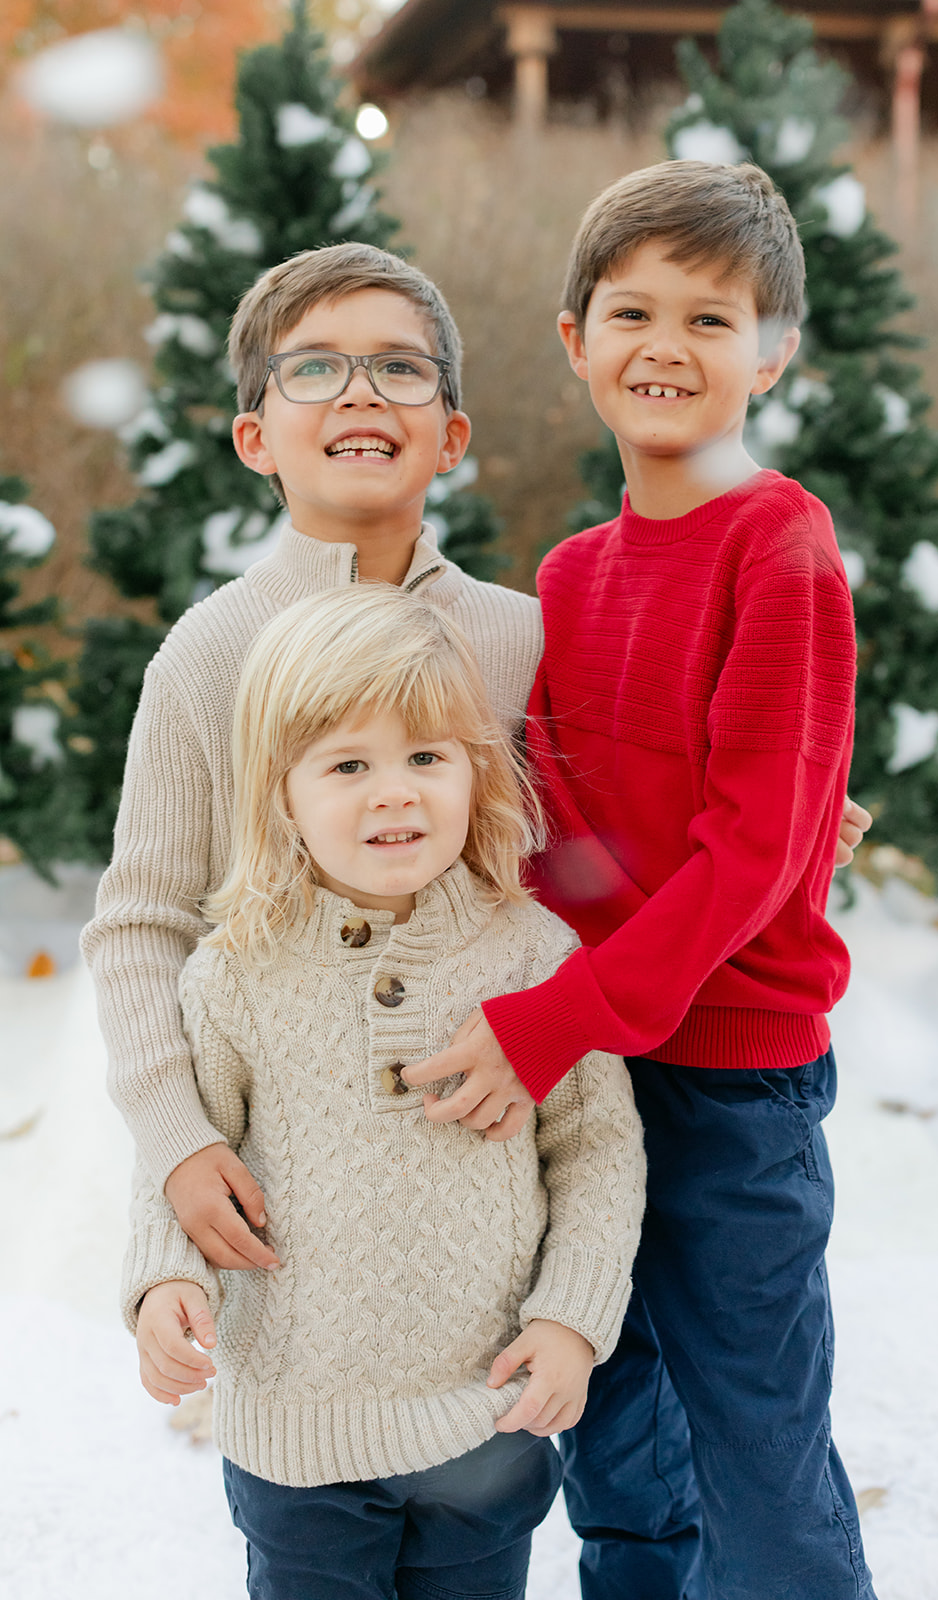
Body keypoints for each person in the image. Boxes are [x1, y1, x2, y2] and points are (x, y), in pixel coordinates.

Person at [83, 236, 868, 1274]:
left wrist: (808, 816)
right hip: (294, 1172)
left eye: (399, 368)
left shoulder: (516, 635)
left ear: (450, 435)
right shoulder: (207, 657)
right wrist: (175, 1136)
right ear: (253, 435)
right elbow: (143, 921)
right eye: (313, 367)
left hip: (500, 1150)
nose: (359, 395)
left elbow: (618, 809)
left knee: (556, 1422)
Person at [402, 161, 878, 1599]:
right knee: (608, 1432)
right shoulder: (568, 576)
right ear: (572, 339)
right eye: (631, 311)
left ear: (772, 350)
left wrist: (553, 1019)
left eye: (710, 318)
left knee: (754, 1458)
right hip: (599, 1083)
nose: (665, 347)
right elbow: (565, 825)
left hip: (728, 1088)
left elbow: (737, 854)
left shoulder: (776, 547)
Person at [126, 585, 646, 1600]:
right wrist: (162, 1278)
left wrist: (570, 1318)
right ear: (282, 793)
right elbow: (182, 1156)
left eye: (425, 757)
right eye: (349, 765)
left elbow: (595, 1149)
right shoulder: (235, 972)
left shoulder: (533, 954)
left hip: (479, 1420)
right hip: (293, 1431)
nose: (394, 793)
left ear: (472, 771)